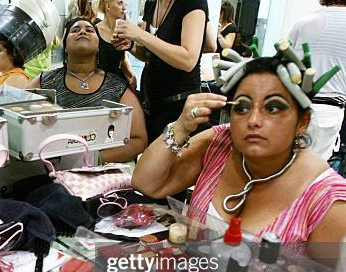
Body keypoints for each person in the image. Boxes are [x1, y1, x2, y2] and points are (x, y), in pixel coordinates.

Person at [132, 56, 346, 244]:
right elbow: (146, 183)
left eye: (272, 108)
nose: (253, 120)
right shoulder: (220, 143)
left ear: (303, 122)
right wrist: (180, 127)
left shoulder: (328, 199)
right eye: (242, 108)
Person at [30, 18, 147, 163]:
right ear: (65, 46)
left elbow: (139, 140)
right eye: (75, 30)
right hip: (52, 168)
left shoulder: (117, 87)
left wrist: (91, 159)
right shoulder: (44, 81)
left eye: (89, 30)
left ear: (99, 46)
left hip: (102, 174)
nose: (83, 32)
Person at [114, 0, 209, 144]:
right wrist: (131, 46)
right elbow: (149, 55)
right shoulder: (151, 5)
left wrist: (140, 35)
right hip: (153, 105)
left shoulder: (192, 3)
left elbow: (188, 60)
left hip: (181, 106)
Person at [289, 0, 346, 161]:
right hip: (329, 112)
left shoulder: (303, 23)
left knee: (284, 171)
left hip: (295, 107)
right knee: (313, 175)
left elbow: (284, 65)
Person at [94, 0, 136, 89]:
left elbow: (123, 57)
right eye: (120, 3)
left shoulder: (121, 31)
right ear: (108, 6)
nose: (124, 8)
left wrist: (131, 75)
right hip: (99, 84)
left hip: (117, 82)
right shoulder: (94, 31)